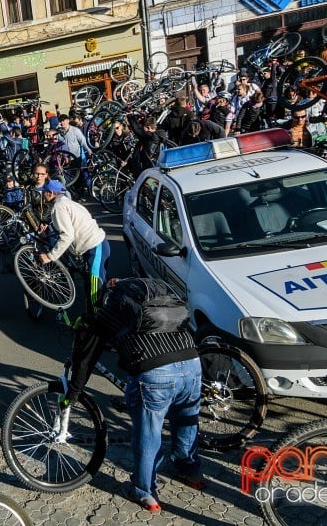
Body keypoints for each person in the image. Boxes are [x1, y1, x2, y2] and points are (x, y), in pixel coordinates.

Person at [84, 278, 204, 513]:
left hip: (155, 372)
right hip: (192, 363)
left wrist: (76, 385)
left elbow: (91, 348)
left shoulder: (112, 307)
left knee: (148, 433)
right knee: (186, 423)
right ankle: (191, 471)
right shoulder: (160, 300)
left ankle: (144, 491)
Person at [36, 179, 109, 319]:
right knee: (97, 287)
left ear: (51, 193)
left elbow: (67, 235)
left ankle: (97, 326)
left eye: (44, 193)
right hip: (98, 245)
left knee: (95, 291)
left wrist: (50, 256)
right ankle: (99, 318)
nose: (43, 195)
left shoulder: (58, 208)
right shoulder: (67, 202)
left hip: (95, 247)